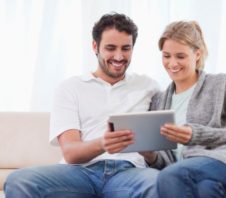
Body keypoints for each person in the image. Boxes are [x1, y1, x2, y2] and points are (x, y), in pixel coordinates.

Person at [4, 13, 174, 198]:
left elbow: (160, 147)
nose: (119, 56)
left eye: (126, 48)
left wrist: (149, 153)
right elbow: (71, 153)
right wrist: (104, 143)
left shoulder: (148, 86)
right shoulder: (70, 88)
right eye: (110, 48)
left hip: (130, 172)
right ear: (95, 46)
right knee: (19, 180)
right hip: (80, 173)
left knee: (160, 182)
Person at [151, 20, 226, 197]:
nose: (172, 63)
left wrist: (196, 134)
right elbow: (166, 159)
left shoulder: (222, 83)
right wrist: (149, 154)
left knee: (170, 176)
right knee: (206, 190)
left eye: (180, 56)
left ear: (197, 54)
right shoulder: (159, 102)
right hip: (197, 176)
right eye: (166, 56)